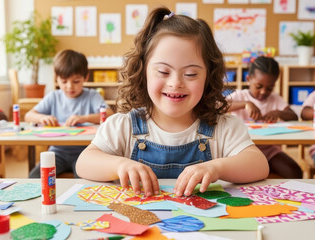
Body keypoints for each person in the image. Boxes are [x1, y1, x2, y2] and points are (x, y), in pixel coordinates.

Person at [76, 8, 269, 197]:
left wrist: (216, 167)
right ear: (143, 71)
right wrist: (120, 165)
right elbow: (84, 162)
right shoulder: (123, 126)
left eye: (191, 74)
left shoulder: (224, 127)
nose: (176, 83)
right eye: (163, 72)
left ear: (208, 77)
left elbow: (258, 164)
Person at [25, 49, 113, 178]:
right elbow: (28, 115)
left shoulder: (92, 96)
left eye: (76, 81)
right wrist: (42, 117)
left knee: (87, 182)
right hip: (57, 153)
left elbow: (110, 114)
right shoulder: (54, 96)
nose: (70, 87)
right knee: (34, 177)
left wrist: (84, 118)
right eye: (64, 81)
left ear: (86, 77)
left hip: (85, 153)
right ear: (57, 78)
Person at [226, 56, 303, 179]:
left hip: (269, 150)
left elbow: (293, 116)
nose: (263, 92)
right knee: (245, 177)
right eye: (258, 86)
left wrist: (279, 113)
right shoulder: (240, 96)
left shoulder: (275, 99)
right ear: (248, 79)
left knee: (295, 172)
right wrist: (245, 104)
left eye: (269, 88)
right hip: (242, 150)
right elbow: (218, 106)